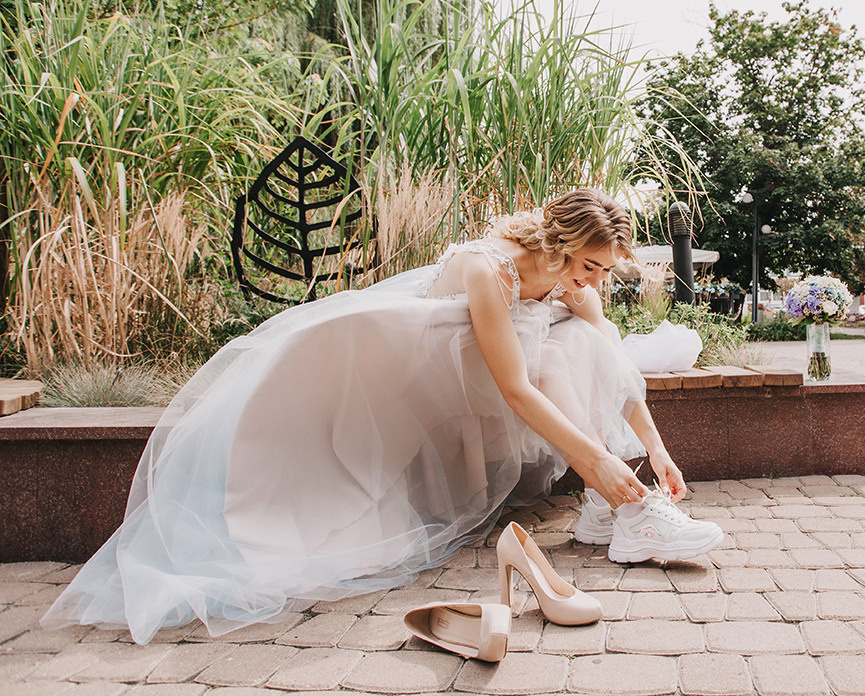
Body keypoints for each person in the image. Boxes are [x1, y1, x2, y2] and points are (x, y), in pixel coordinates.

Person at [43, 188, 721, 645]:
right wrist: (591, 458)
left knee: (583, 340)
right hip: (425, 370)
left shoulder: (576, 286)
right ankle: (608, 494)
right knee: (554, 355)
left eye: (607, 271)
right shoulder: (492, 270)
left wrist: (652, 450)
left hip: (503, 367)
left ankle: (622, 505)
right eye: (591, 266)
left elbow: (616, 366)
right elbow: (513, 386)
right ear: (560, 244)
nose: (598, 282)